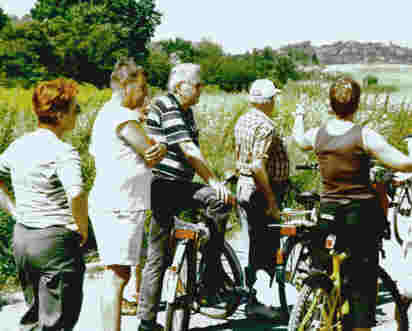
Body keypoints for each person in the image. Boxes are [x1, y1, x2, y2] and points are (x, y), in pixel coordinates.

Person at [293, 77, 412, 331]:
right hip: (359, 216)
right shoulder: (364, 135)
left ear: (330, 104)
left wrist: (299, 114)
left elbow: (299, 139)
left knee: (326, 267)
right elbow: (403, 163)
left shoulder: (318, 134)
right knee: (362, 283)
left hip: (327, 212)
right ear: (357, 105)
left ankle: (324, 306)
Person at [137, 63, 232, 331]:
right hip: (165, 186)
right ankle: (210, 280)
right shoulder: (167, 105)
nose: (201, 90)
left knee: (158, 254)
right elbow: (188, 149)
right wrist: (213, 181)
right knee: (218, 202)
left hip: (177, 185)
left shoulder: (186, 111)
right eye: (198, 85)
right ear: (180, 86)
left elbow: (191, 154)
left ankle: (147, 320)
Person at [0, 78, 89, 331]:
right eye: (75, 109)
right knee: (57, 322)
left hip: (23, 238)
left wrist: (15, 211)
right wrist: (82, 228)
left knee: (34, 317)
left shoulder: (19, 145)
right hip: (55, 242)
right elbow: (76, 193)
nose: (77, 115)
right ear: (60, 115)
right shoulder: (63, 152)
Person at [88, 57, 166, 331]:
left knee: (116, 275)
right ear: (126, 85)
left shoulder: (108, 113)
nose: (146, 94)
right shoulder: (123, 118)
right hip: (120, 205)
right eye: (142, 88)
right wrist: (161, 147)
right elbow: (151, 153)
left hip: (112, 202)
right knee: (117, 277)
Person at [234, 79, 289, 320]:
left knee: (252, 243)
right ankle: (259, 303)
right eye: (273, 98)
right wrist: (272, 202)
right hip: (261, 190)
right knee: (265, 249)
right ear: (267, 102)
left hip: (243, 186)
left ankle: (251, 297)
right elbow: (258, 165)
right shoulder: (267, 126)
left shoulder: (243, 119)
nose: (275, 102)